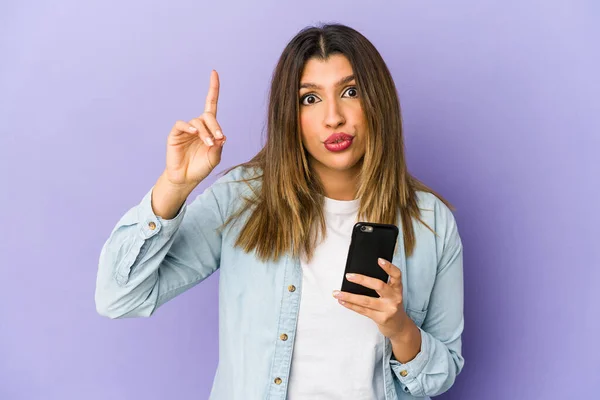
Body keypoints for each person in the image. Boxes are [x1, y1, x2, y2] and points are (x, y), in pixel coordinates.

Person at [95, 23, 465, 400]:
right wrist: (175, 185)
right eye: (310, 99)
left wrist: (399, 328)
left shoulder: (431, 221)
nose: (333, 117)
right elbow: (119, 297)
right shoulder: (243, 201)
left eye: (351, 92)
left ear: (378, 102)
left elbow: (440, 376)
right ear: (288, 114)